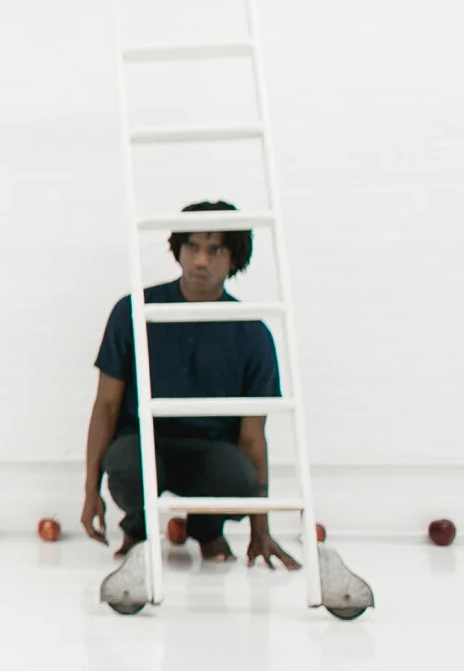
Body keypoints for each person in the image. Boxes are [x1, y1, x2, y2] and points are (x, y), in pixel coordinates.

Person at [79, 203, 299, 570]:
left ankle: (207, 528)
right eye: (192, 247)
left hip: (210, 450)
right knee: (128, 466)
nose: (200, 261)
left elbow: (252, 436)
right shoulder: (133, 311)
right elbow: (106, 406)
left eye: (215, 250)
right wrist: (90, 492)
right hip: (143, 442)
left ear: (234, 258)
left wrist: (261, 529)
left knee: (238, 476)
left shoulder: (252, 333)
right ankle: (138, 527)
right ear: (178, 249)